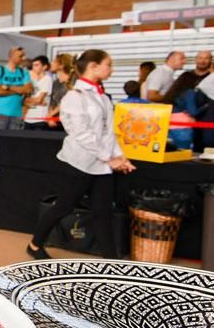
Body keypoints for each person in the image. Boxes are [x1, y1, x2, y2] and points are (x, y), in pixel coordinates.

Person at [28, 50, 135, 260]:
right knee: (63, 207)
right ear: (93, 66)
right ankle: (34, 244)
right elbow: (82, 134)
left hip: (102, 165)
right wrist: (109, 158)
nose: (111, 69)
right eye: (108, 64)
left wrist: (120, 157)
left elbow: (109, 131)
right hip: (78, 163)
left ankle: (111, 260)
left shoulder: (103, 97)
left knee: (103, 212)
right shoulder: (74, 97)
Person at [0, 46, 31, 130]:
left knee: (13, 141)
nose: (23, 58)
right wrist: (19, 90)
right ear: (12, 56)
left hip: (16, 114)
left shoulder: (24, 73)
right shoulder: (0, 71)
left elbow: (28, 89)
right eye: (20, 56)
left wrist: (7, 87)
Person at [22, 55, 52, 130]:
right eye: (33, 65)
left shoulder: (47, 79)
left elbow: (39, 99)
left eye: (36, 65)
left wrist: (30, 101)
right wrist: (35, 101)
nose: (34, 67)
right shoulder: (31, 80)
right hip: (28, 118)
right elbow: (23, 100)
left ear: (44, 67)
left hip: (40, 119)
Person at [46, 53, 75, 130]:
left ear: (61, 65)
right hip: (55, 121)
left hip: (69, 121)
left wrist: (51, 114)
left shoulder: (73, 81)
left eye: (54, 61)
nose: (51, 63)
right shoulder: (55, 82)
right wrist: (50, 117)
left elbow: (68, 100)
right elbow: (52, 101)